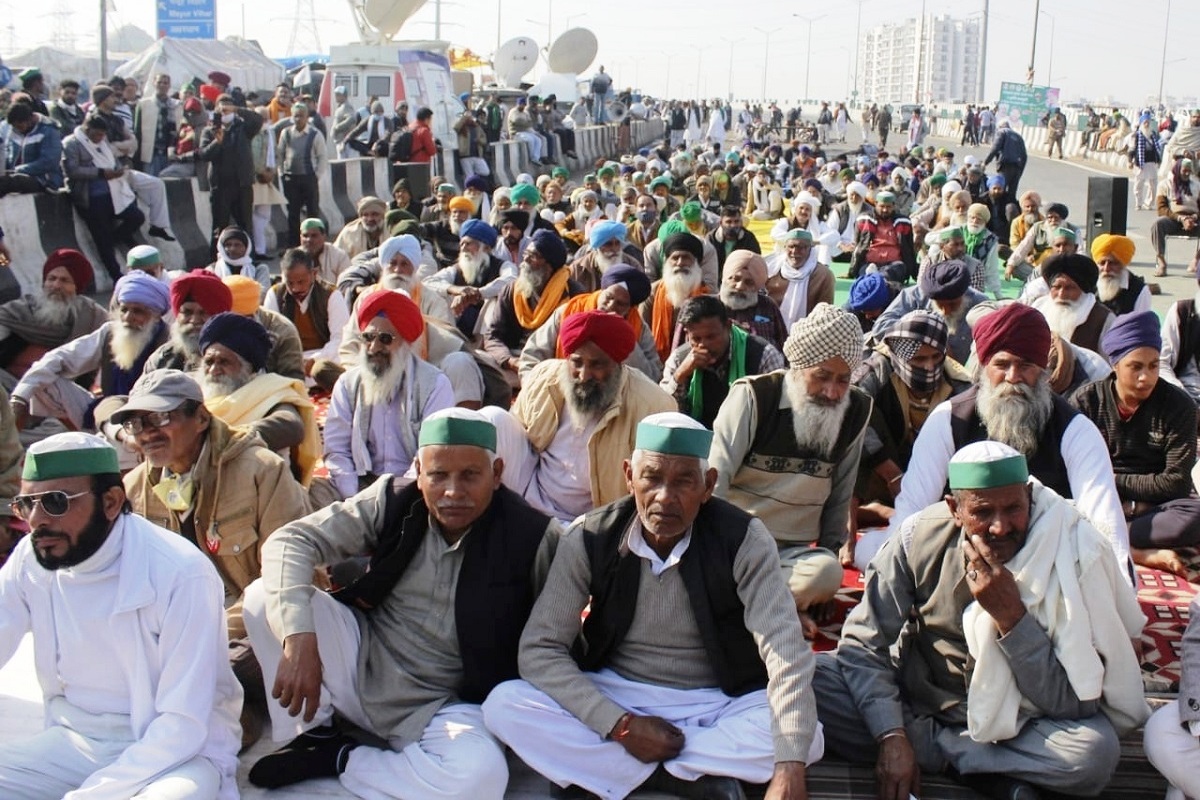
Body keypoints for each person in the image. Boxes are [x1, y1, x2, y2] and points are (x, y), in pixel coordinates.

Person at [483, 412, 823, 800]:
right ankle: (696, 779)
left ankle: (613, 775)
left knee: (806, 740)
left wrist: (790, 768)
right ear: (629, 476)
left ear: (708, 485)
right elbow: (540, 649)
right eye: (652, 478)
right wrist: (620, 725)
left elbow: (785, 652)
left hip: (717, 701)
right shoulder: (590, 536)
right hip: (618, 693)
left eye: (683, 482)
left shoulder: (743, 539)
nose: (665, 497)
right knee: (505, 706)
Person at [241, 407, 560, 795]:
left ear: (496, 474)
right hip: (363, 663)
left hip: (445, 703)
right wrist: (299, 639)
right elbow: (289, 541)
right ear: (419, 472)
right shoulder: (395, 501)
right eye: (438, 475)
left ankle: (343, 758)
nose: (453, 492)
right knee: (263, 598)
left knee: (479, 780)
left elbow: (555, 635)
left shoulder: (535, 535)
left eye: (470, 476)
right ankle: (315, 732)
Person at [814, 440, 1148, 800]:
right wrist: (891, 734)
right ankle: (983, 770)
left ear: (1030, 500)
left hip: (1021, 721)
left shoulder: (1070, 550)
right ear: (955, 509)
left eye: (1013, 509)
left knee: (1093, 753)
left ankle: (936, 754)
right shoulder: (917, 538)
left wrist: (1011, 618)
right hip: (921, 698)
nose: (1001, 527)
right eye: (984, 512)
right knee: (808, 677)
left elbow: (1073, 704)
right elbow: (863, 644)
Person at [0, 431, 242, 798]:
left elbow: (184, 722)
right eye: (26, 504)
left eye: (54, 502)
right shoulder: (31, 559)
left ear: (111, 501)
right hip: (72, 742)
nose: (36, 520)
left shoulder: (179, 572)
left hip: (175, 755)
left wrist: (95, 793)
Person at [113, 369, 309, 746]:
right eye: (137, 424)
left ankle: (225, 724)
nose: (148, 432)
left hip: (250, 626)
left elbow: (291, 576)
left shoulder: (262, 470)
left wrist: (208, 634)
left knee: (202, 678)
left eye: (161, 418)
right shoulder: (135, 487)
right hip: (177, 632)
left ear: (201, 418)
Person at [887, 303, 1131, 576]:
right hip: (962, 559)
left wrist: (1117, 587)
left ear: (1042, 369)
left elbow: (1104, 521)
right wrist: (898, 574)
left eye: (1025, 365)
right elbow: (913, 509)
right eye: (1002, 365)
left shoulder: (1075, 430)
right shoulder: (948, 420)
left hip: (1048, 566)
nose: (1013, 378)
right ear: (984, 367)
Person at [709, 304, 872, 634]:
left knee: (826, 573)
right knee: (711, 571)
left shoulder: (855, 408)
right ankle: (777, 610)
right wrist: (713, 552)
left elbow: (842, 492)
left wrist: (824, 576)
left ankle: (748, 605)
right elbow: (716, 479)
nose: (832, 391)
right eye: (822, 376)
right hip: (737, 542)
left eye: (843, 380)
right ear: (798, 367)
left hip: (794, 557)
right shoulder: (755, 397)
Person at [490, 310, 675, 523]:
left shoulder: (653, 404)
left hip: (592, 518)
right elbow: (518, 437)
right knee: (493, 418)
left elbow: (656, 480)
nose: (584, 375)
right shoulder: (544, 377)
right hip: (530, 492)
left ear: (617, 364)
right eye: (577, 362)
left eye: (597, 365)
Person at [1070, 311, 1200, 576]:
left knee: (1195, 515)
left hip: (1156, 507)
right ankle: (1137, 550)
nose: (1146, 377)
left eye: (1153, 366)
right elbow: (1070, 472)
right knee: (1056, 505)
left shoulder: (1179, 406)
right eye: (1136, 367)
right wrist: (1117, 497)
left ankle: (1113, 537)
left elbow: (1176, 482)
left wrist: (1115, 486)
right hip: (1098, 500)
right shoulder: (1086, 402)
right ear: (1115, 364)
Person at [847, 310, 971, 569]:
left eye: (936, 357)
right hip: (877, 472)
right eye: (919, 359)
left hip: (931, 479)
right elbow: (849, 413)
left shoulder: (960, 384)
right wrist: (891, 473)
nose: (928, 367)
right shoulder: (875, 371)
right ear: (899, 355)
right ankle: (847, 527)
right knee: (855, 417)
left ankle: (881, 511)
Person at [324, 289, 455, 499]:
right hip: (359, 484)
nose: (374, 347)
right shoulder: (348, 384)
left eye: (385, 339)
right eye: (368, 337)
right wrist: (353, 498)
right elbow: (337, 450)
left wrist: (397, 497)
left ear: (405, 343)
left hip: (415, 487)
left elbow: (431, 451)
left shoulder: (434, 384)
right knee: (313, 496)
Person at [10, 272, 169, 433]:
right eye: (124, 309)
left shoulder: (166, 343)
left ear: (155, 316)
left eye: (138, 311)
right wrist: (19, 398)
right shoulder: (110, 333)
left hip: (148, 420)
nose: (128, 317)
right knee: (44, 380)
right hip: (106, 412)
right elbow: (58, 358)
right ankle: (88, 436)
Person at [517, 264, 661, 383]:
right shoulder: (569, 312)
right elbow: (531, 357)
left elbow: (653, 376)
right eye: (608, 297)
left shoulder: (638, 327)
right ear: (601, 290)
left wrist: (623, 336)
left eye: (620, 304)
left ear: (630, 308)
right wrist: (534, 389)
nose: (611, 306)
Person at [660, 295, 785, 429]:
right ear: (687, 333)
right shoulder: (679, 358)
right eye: (696, 339)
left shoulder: (763, 355)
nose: (704, 345)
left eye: (711, 337)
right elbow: (664, 411)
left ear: (728, 326)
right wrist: (680, 376)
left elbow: (775, 412)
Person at [480, 229, 581, 382]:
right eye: (526, 253)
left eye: (534, 256)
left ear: (550, 265)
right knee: (476, 361)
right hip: (511, 360)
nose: (525, 260)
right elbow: (493, 335)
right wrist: (509, 360)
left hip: (550, 364)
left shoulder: (573, 294)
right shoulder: (512, 289)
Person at [0, 250, 107, 388]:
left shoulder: (93, 317)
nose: (56, 286)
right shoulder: (18, 312)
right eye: (52, 278)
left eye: (64, 280)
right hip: (10, 388)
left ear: (77, 287)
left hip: (62, 394)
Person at [61, 115, 145, 283]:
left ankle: (116, 238)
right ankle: (116, 276)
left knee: (136, 217)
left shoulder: (103, 143)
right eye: (97, 134)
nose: (100, 138)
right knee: (102, 237)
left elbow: (112, 162)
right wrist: (100, 173)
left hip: (113, 194)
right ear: (87, 130)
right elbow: (72, 170)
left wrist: (119, 170)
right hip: (90, 198)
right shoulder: (72, 143)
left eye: (102, 135)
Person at [263, 247, 350, 391]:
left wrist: (314, 359)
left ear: (314, 274)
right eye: (290, 283)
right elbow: (270, 337)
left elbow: (340, 339)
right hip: (289, 358)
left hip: (322, 357)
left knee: (328, 367)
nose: (295, 288)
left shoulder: (331, 295)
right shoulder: (275, 294)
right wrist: (294, 360)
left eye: (301, 282)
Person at [873, 259, 988, 365]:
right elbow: (881, 327)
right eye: (940, 304)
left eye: (952, 304)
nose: (945, 311)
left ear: (964, 295)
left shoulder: (981, 306)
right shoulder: (914, 296)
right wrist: (928, 336)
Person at [425, 218, 516, 338]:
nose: (463, 248)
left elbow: (512, 279)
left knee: (493, 302)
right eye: (461, 243)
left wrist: (478, 293)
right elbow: (427, 282)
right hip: (458, 323)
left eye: (468, 243)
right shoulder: (457, 269)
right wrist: (457, 290)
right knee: (439, 296)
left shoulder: (503, 266)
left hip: (491, 328)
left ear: (486, 248)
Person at [196, 94, 258, 247]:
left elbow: (257, 120)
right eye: (222, 109)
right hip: (221, 186)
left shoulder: (243, 127)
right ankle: (217, 260)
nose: (225, 113)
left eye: (228, 108)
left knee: (245, 226)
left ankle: (248, 260)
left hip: (242, 184)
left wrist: (237, 109)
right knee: (219, 226)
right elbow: (204, 154)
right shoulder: (210, 131)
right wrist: (217, 142)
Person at [144, 268, 233, 373]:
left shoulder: (236, 358)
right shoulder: (162, 359)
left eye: (203, 313)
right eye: (187, 312)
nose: (194, 321)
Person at [1029, 253, 1114, 354]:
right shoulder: (1038, 308)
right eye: (1057, 287)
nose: (1061, 294)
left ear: (1083, 290)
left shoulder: (1104, 319)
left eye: (1069, 288)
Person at [277, 103, 327, 248]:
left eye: (301, 116)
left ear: (307, 117)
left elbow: (322, 157)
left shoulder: (314, 134)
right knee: (293, 214)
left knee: (312, 212)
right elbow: (280, 154)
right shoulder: (286, 133)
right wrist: (281, 172)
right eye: (296, 116)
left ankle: (315, 245)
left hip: (309, 178)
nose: (298, 119)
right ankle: (294, 246)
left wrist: (316, 176)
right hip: (290, 178)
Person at [721, 250, 789, 350]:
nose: (740, 287)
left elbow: (784, 344)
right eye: (735, 279)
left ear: (757, 286)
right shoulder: (708, 306)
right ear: (725, 278)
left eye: (749, 282)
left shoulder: (768, 306)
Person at [848, 191, 916, 283]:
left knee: (895, 271)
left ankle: (877, 276)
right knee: (864, 277)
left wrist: (914, 272)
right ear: (875, 204)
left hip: (894, 264)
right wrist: (852, 270)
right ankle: (875, 276)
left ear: (893, 205)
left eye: (888, 207)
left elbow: (909, 248)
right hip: (869, 263)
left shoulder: (904, 222)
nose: (885, 210)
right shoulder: (864, 220)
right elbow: (858, 246)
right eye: (882, 206)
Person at [1150, 157, 1199, 277]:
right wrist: (1181, 219)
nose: (1187, 173)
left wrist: (1193, 217)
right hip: (1174, 220)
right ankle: (1161, 261)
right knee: (1158, 224)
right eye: (1184, 171)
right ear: (1177, 170)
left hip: (1194, 219)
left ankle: (1196, 260)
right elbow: (1162, 209)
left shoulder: (1197, 185)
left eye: (1189, 171)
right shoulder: (1165, 185)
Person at [0, 102, 63, 195]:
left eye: (20, 127)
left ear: (30, 120)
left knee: (8, 183)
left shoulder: (49, 131)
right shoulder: (14, 131)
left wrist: (18, 170)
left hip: (43, 180)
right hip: (18, 176)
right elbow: (9, 157)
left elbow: (49, 162)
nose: (18, 130)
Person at [132, 73, 180, 176]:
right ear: (154, 83)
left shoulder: (175, 105)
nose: (162, 85)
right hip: (150, 154)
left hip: (169, 153)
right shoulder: (143, 104)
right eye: (159, 82)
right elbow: (138, 131)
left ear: (169, 85)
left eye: (165, 83)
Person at [1091, 233, 1150, 317]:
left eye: (1113, 263)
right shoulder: (1089, 283)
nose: (1106, 268)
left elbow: (1140, 326)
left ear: (1123, 264)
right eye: (1102, 263)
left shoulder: (1139, 291)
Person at [207, 226, 272, 294]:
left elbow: (263, 294)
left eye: (237, 245)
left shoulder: (259, 269)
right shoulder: (211, 270)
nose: (232, 249)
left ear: (246, 248)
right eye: (228, 245)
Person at [984, 119, 1028, 195]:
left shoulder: (1002, 132)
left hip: (1005, 165)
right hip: (1017, 168)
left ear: (1000, 127)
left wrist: (986, 162)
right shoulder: (1019, 137)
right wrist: (1020, 171)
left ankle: (999, 207)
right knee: (1012, 193)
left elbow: (995, 148)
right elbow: (1024, 156)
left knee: (999, 190)